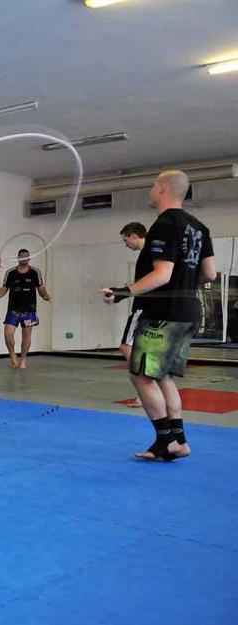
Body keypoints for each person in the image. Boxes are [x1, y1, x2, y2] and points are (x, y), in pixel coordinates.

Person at [101, 170, 216, 461]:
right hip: (189, 311)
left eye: (154, 184)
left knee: (141, 376)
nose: (151, 189)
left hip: (163, 313)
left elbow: (162, 274)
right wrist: (183, 285)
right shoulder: (199, 227)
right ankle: (180, 441)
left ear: (163, 188)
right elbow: (209, 274)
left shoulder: (165, 224)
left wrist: (123, 292)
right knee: (162, 376)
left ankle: (165, 442)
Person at [0, 249, 52, 369]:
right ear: (18, 258)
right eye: (21, 256)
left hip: (29, 310)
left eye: (26, 256)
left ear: (29, 258)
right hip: (13, 309)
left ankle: (23, 359)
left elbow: (41, 287)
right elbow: (4, 288)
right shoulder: (11, 273)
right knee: (8, 334)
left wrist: (45, 295)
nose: (24, 258)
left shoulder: (35, 272)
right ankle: (12, 355)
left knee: (26, 336)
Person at [117, 222, 150, 407]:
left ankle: (146, 384)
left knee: (126, 347)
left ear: (134, 236)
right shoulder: (151, 254)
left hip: (142, 308)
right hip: (150, 309)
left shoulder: (147, 255)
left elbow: (144, 285)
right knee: (141, 350)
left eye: (125, 240)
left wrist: (119, 294)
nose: (126, 244)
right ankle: (147, 387)